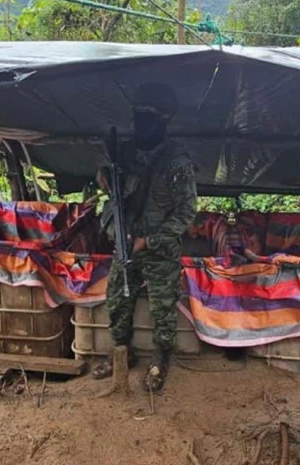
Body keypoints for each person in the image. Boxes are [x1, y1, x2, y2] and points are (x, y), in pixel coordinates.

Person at [91, 82, 198, 392]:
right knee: (117, 300)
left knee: (163, 309)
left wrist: (150, 241)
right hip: (126, 243)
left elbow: (186, 213)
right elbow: (111, 188)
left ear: (164, 120)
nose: (141, 122)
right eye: (138, 115)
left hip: (159, 248)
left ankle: (162, 359)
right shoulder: (123, 154)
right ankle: (122, 354)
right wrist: (103, 178)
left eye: (149, 116)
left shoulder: (177, 162)